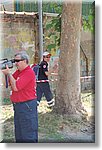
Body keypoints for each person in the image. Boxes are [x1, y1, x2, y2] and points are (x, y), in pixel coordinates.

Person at [1, 51, 38, 143]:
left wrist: (9, 74)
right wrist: (5, 74)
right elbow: (6, 84)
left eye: (18, 61)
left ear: (25, 61)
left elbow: (16, 87)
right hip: (18, 106)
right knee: (20, 134)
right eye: (14, 61)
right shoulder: (18, 72)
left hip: (27, 106)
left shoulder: (29, 72)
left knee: (28, 134)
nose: (15, 63)